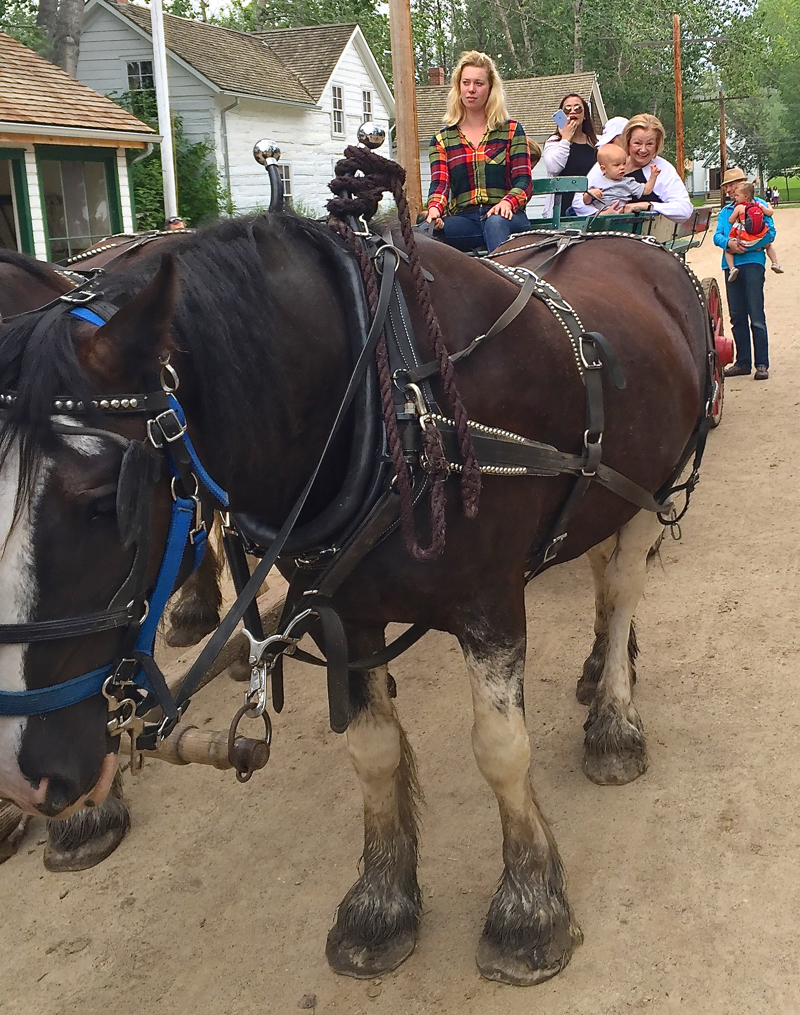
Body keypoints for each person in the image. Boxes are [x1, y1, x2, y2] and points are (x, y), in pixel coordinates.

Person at [425, 51, 532, 253]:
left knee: (495, 223)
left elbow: (524, 181)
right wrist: (434, 210)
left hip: (507, 217)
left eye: (478, 83)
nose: (471, 90)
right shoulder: (442, 139)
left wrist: (508, 203)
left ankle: (502, 283)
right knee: (424, 232)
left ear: (490, 88)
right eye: (466, 83)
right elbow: (440, 184)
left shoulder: (511, 130)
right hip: (465, 220)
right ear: (458, 87)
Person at [714, 169, 776, 381]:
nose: (729, 190)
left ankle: (761, 363)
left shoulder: (758, 206)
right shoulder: (726, 211)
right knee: (737, 315)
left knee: (756, 314)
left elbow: (771, 234)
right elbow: (718, 236)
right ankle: (742, 362)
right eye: (727, 187)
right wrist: (729, 243)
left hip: (753, 263)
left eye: (732, 186)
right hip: (730, 265)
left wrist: (747, 246)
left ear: (743, 184)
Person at [574, 113, 693, 221]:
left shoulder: (662, 168)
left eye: (650, 144)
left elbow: (684, 209)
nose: (643, 149)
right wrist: (602, 214)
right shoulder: (611, 160)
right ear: (628, 141)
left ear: (657, 145)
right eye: (637, 143)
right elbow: (578, 201)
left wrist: (647, 206)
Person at [542, 93, 599, 218]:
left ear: (584, 115)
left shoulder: (596, 143)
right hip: (560, 211)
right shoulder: (554, 141)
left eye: (578, 108)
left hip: (591, 209)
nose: (572, 112)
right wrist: (566, 138)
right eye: (567, 109)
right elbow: (553, 167)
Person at [723, 181, 783, 279]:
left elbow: (730, 220)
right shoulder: (757, 204)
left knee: (728, 251)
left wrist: (735, 217)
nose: (736, 197)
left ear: (745, 196)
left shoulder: (739, 207)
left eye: (737, 195)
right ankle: (775, 263)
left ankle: (732, 268)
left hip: (744, 238)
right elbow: (770, 212)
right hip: (758, 236)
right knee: (768, 246)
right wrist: (768, 204)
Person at [581, 143, 661, 212]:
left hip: (622, 216)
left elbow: (646, 190)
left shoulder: (628, 182)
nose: (622, 167)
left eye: (624, 163)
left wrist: (653, 177)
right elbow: (586, 201)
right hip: (600, 217)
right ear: (603, 169)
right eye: (617, 165)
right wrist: (590, 194)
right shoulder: (597, 181)